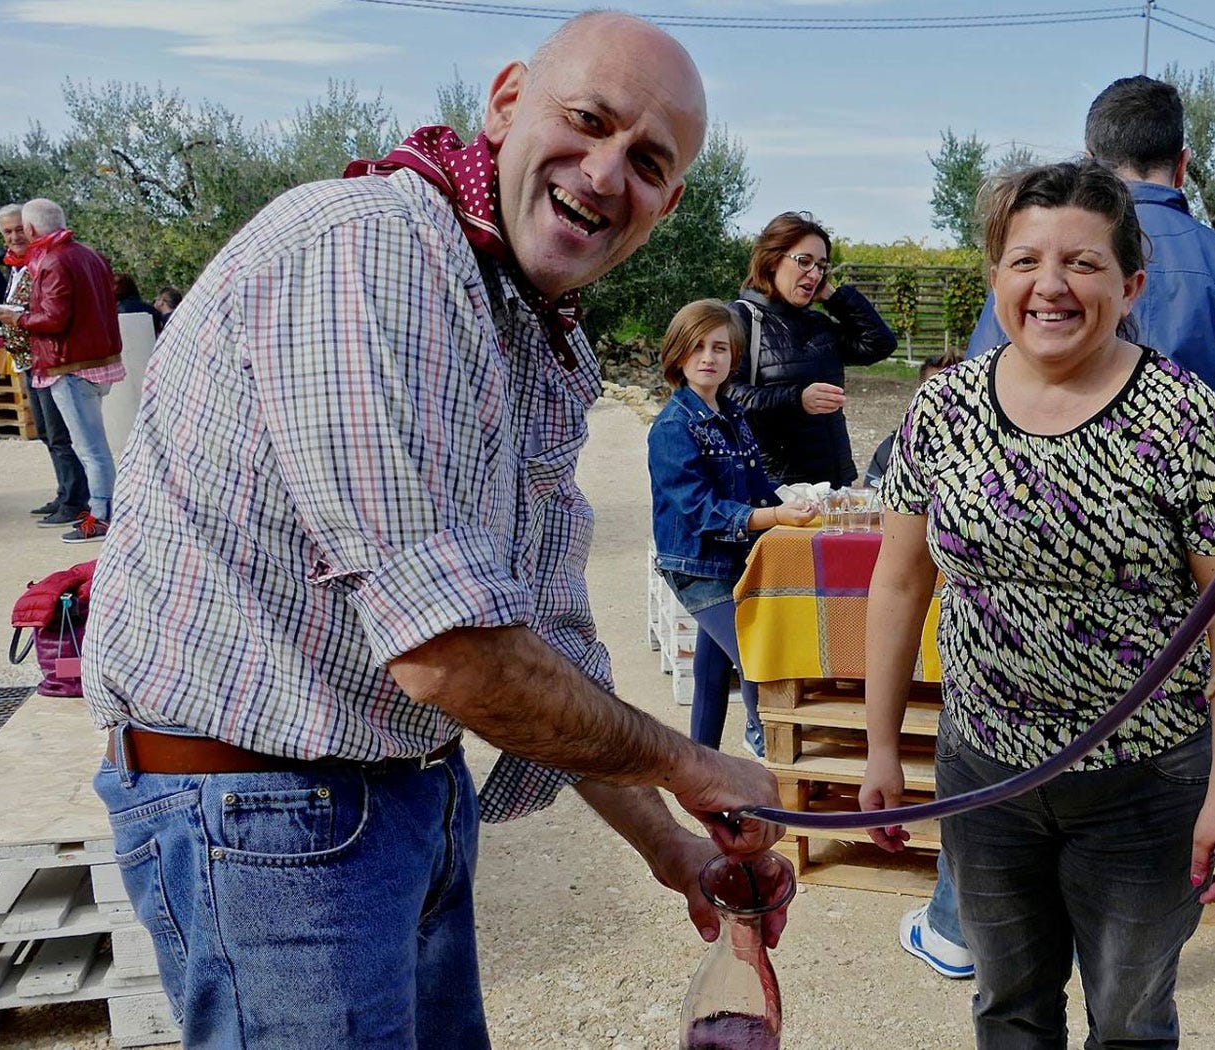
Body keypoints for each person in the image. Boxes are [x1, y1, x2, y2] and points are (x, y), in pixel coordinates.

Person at [83, 13, 786, 1047]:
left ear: (666, 204)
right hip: (261, 814)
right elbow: (449, 653)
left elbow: (537, 651)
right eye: (585, 121)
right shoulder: (369, 251)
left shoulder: (521, 327)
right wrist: (688, 764)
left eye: (644, 160)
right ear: (505, 102)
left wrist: (669, 849)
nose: (601, 173)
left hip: (398, 797)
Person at [860, 161, 1215, 1048]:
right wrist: (882, 748)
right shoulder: (943, 409)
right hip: (985, 773)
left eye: (1082, 264)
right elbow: (898, 581)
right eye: (1025, 260)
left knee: (1127, 1020)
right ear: (996, 277)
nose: (1051, 286)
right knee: (1008, 1007)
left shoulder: (1185, 419)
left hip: (1145, 787)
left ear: (1130, 286)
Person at [966, 77, 1215, 489]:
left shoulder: (1033, 271)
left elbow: (979, 404)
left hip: (1035, 518)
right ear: (1182, 165)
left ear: (1087, 162)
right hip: (1202, 531)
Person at [649, 299, 817, 758]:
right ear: (677, 356)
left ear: (734, 358)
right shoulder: (672, 428)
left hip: (733, 560)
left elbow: (756, 486)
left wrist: (794, 499)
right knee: (756, 661)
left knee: (711, 669)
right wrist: (775, 518)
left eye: (720, 348)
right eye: (697, 347)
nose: (709, 357)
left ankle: (699, 763)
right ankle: (763, 739)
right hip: (698, 567)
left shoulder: (733, 416)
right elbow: (700, 510)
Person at [725, 211, 896, 487]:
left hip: (832, 486)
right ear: (772, 260)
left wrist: (833, 296)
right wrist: (798, 399)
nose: (815, 274)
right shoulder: (740, 318)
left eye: (821, 266)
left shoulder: (818, 323)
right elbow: (728, 395)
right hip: (773, 490)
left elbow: (879, 343)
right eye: (804, 261)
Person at [10, 197, 124, 543]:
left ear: (30, 229)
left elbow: (54, 319)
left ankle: (103, 515)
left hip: (69, 363)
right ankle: (105, 510)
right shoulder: (88, 254)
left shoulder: (53, 261)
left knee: (90, 447)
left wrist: (17, 318)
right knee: (92, 444)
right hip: (96, 358)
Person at [0, 204, 90, 527]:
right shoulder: (16, 267)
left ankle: (77, 501)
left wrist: (15, 317)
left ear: (31, 227)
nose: (13, 237)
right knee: (48, 433)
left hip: (48, 360)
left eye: (18, 229)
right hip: (26, 361)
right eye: (7, 232)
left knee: (62, 434)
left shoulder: (45, 262)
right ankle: (65, 492)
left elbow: (53, 312)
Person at [861, 349, 961, 488]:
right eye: (934, 390)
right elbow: (872, 498)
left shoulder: (986, 450)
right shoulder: (893, 448)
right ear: (919, 395)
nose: (942, 400)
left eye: (952, 391)